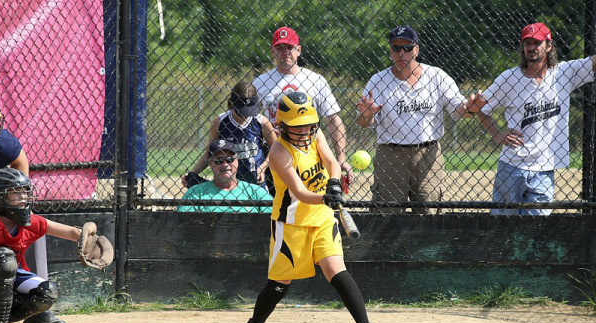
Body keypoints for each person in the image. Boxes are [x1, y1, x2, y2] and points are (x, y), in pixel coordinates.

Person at [226, 92, 382, 323]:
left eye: (309, 125)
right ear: (283, 127)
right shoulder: (279, 151)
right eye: (298, 127)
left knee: (335, 270)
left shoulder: (315, 135)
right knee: (280, 281)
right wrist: (325, 198)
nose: (305, 131)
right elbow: (298, 192)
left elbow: (331, 162)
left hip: (321, 219)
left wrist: (333, 183)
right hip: (290, 222)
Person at [468, 23, 595, 215]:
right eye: (527, 43)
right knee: (502, 226)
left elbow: (592, 62)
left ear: (549, 45)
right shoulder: (509, 78)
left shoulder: (564, 72)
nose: (531, 47)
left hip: (545, 166)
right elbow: (480, 107)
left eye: (537, 42)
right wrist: (496, 134)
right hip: (512, 164)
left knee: (537, 229)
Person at [356, 26, 477, 213]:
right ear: (390, 51)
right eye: (396, 47)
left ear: (417, 50)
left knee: (429, 212)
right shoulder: (378, 81)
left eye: (407, 47)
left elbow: (458, 110)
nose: (402, 52)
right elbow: (364, 123)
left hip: (428, 152)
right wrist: (367, 114)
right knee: (386, 215)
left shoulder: (436, 76)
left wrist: (470, 108)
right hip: (391, 154)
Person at [0, 168, 107, 323]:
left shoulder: (27, 223)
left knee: (47, 292)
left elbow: (71, 232)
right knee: (4, 258)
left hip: (7, 282)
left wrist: (94, 240)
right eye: (15, 193)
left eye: (25, 192)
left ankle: (15, 319)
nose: (23, 198)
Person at [253, 26, 354, 190]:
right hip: (275, 151)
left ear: (298, 50)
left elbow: (333, 119)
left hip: (310, 151)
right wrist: (269, 131)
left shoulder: (315, 80)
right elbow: (253, 121)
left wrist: (341, 157)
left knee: (310, 198)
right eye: (280, 47)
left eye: (290, 47)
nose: (285, 52)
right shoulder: (260, 83)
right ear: (273, 52)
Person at [0, 108, 62, 323]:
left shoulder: (2, 143)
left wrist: (17, 199)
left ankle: (33, 308)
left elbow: (19, 159)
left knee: (22, 233)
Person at [183, 82, 276, 189]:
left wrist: (262, 168)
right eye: (242, 111)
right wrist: (192, 173)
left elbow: (274, 149)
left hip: (255, 180)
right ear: (233, 103)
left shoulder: (261, 121)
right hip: (228, 180)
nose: (245, 115)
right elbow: (210, 152)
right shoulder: (220, 121)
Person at [178, 139, 273, 213]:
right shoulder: (196, 193)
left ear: (237, 161)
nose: (225, 164)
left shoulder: (256, 193)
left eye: (229, 160)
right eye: (219, 161)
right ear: (211, 163)